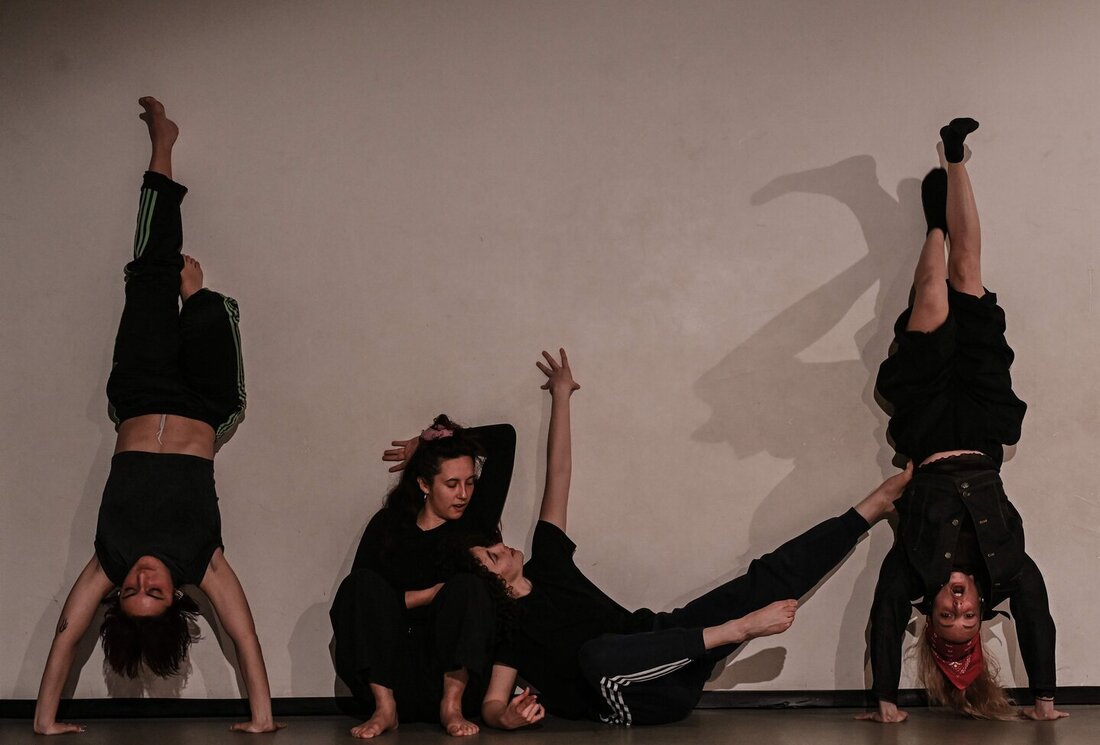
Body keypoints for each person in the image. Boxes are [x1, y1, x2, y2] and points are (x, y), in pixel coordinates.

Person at [465, 349, 912, 728]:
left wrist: (562, 395)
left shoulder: (548, 561)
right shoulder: (515, 629)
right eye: (492, 556)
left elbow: (559, 475)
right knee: (595, 656)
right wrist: (507, 718)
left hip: (671, 644)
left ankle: (869, 510)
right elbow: (492, 703)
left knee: (760, 579)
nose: (501, 545)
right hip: (630, 699)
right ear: (496, 585)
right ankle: (737, 629)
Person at [32, 98, 282, 735]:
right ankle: (200, 304)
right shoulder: (204, 562)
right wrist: (262, 719)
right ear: (177, 598)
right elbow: (244, 635)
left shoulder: (108, 560)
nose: (143, 579)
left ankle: (162, 146)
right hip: (205, 404)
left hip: (139, 396)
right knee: (209, 308)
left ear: (117, 595)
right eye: (156, 592)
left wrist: (43, 722)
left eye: (132, 592)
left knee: (148, 273)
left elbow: (65, 636)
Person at [859, 119, 1065, 723]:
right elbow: (1039, 619)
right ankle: (954, 157)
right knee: (967, 276)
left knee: (931, 292)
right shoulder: (1009, 571)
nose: (957, 604)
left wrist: (885, 701)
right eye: (967, 615)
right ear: (982, 613)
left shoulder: (913, 572)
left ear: (932, 616)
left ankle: (934, 225)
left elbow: (885, 615)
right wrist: (1044, 701)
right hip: (979, 425)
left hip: (927, 428)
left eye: (947, 616)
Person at [330, 417, 515, 738]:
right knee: (359, 584)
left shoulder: (475, 522)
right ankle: (385, 709)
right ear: (424, 484)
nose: (463, 494)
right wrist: (429, 595)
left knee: (469, 587)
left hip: (450, 676)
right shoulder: (389, 525)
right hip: (390, 674)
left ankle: (451, 707)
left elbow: (504, 439)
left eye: (470, 482)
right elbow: (359, 603)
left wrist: (433, 441)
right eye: (451, 484)